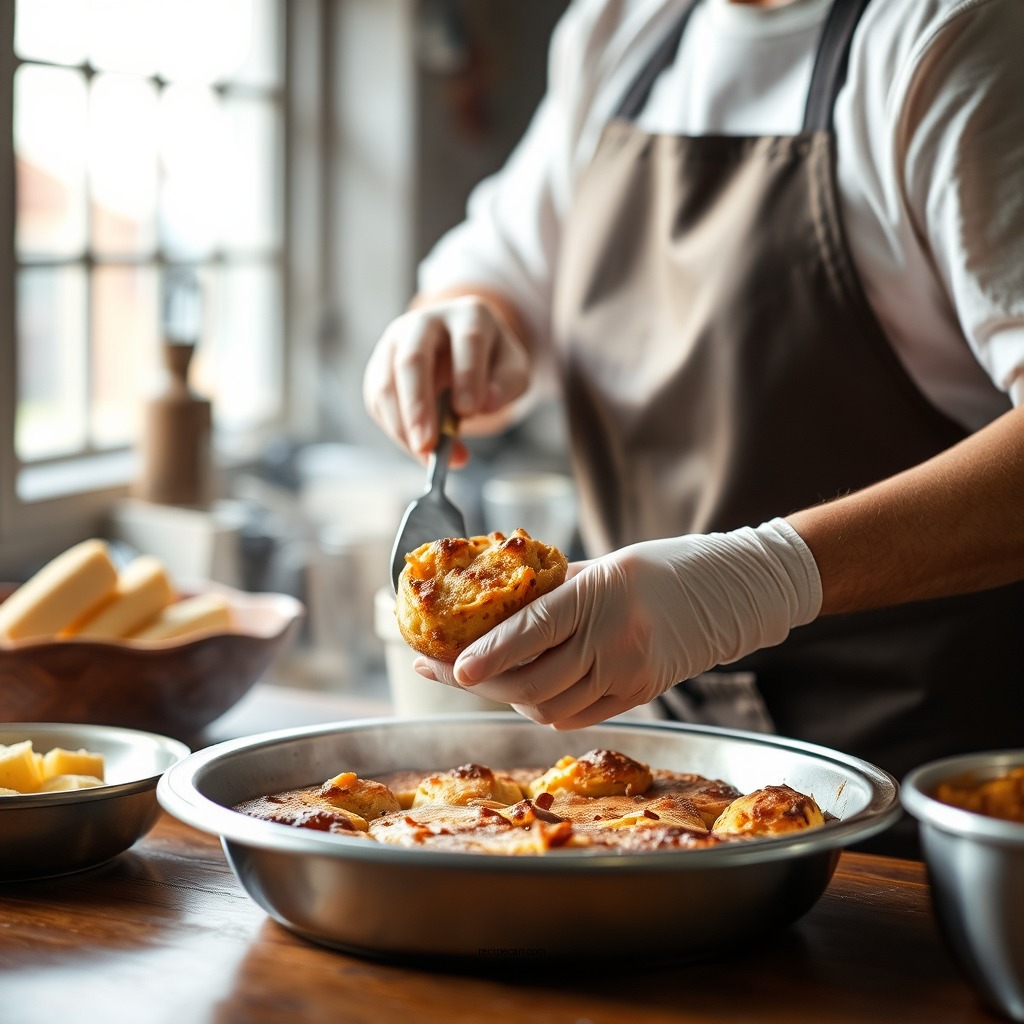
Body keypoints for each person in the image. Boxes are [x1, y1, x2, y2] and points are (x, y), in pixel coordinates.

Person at [362, 0, 1024, 850]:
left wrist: (762, 580)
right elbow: (498, 270)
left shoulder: (950, 38)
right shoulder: (620, 31)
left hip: (930, 814)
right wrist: (463, 321)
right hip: (659, 796)